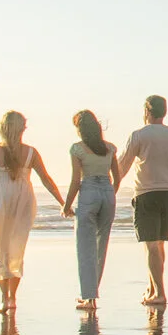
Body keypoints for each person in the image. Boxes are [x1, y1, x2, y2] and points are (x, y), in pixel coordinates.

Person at [0, 111, 63, 312]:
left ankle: (4, 297)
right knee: (17, 247)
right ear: (23, 128)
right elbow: (47, 179)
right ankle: (12, 297)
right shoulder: (31, 152)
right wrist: (63, 203)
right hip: (22, 199)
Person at [115, 94, 168, 307]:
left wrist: (110, 191)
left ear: (147, 111)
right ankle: (153, 288)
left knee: (151, 245)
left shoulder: (139, 135)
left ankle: (159, 292)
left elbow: (121, 166)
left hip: (146, 193)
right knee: (157, 244)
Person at [62, 109, 120, 310]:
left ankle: (89, 297)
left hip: (88, 192)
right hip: (107, 191)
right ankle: (92, 295)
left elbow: (75, 180)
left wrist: (67, 204)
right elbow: (117, 178)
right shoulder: (109, 148)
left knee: (85, 246)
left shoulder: (77, 149)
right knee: (100, 245)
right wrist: (110, 193)